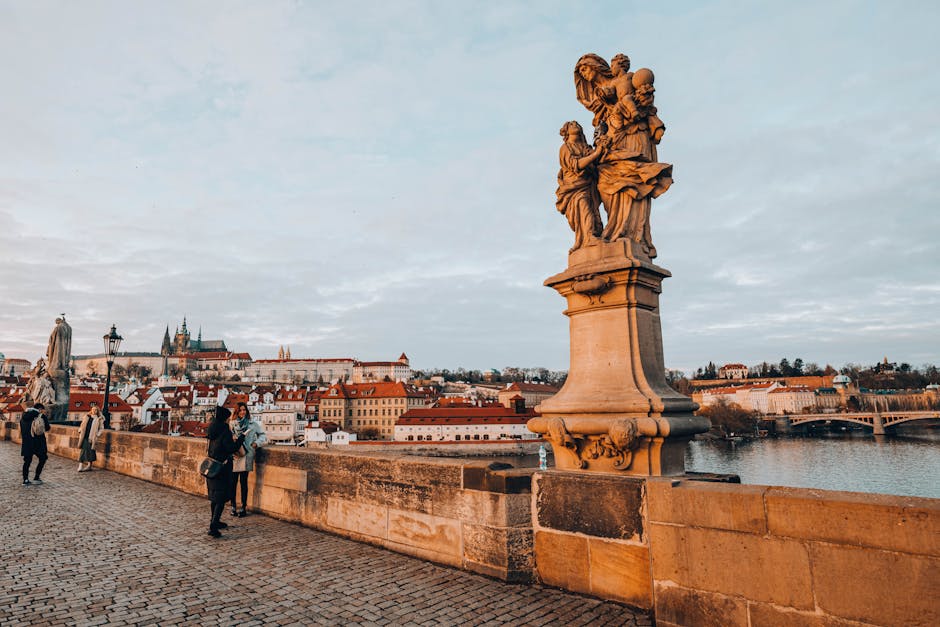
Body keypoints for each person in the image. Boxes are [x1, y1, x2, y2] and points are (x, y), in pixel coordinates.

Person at [556, 121, 605, 252]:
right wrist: (596, 154)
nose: (575, 125)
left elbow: (597, 159)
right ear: (566, 132)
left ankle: (588, 237)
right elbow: (575, 165)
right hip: (574, 188)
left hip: (589, 184)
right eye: (571, 125)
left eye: (577, 124)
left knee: (594, 213)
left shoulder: (585, 147)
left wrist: (601, 143)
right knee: (584, 209)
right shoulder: (565, 148)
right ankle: (588, 237)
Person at [205, 406, 245, 537]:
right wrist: (241, 439)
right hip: (222, 468)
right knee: (220, 498)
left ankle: (214, 521)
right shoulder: (224, 431)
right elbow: (230, 448)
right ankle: (213, 526)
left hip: (211, 466)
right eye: (228, 418)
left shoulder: (212, 429)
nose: (229, 420)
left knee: (214, 497)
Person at [229, 402, 267, 517]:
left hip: (246, 455)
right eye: (240, 410)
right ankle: (233, 506)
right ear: (236, 411)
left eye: (244, 410)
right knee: (233, 482)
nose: (242, 412)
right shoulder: (232, 424)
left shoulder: (252, 424)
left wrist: (257, 443)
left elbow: (263, 435)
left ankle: (243, 507)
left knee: (243, 482)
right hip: (235, 455)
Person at [20, 403, 50, 485]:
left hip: (27, 442)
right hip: (39, 442)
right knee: (43, 458)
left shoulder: (23, 416)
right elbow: (47, 428)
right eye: (43, 410)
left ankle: (25, 480)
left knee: (27, 461)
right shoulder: (41, 416)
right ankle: (36, 477)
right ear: (40, 409)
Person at [77, 405, 104, 472]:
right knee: (83, 451)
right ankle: (80, 466)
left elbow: (101, 428)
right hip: (85, 436)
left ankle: (89, 466)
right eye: (93, 409)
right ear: (91, 410)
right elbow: (82, 425)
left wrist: (97, 435)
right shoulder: (87, 417)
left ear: (98, 411)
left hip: (92, 437)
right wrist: (80, 430)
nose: (94, 411)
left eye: (95, 410)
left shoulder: (99, 419)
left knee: (91, 451)